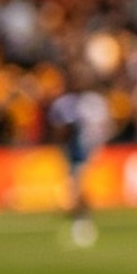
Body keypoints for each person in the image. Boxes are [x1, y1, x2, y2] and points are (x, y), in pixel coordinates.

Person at [47, 73, 113, 248]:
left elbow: (104, 127)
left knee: (80, 189)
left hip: (86, 153)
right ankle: (81, 223)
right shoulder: (67, 103)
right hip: (73, 152)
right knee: (75, 190)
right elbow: (58, 128)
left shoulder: (91, 103)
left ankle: (83, 224)